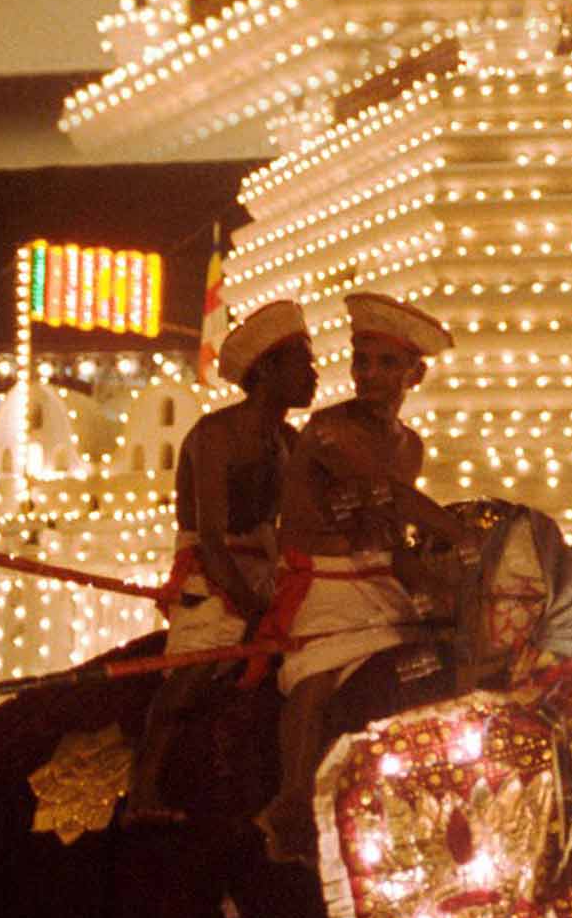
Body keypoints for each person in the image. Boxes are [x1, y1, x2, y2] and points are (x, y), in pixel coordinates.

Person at [252, 291, 470, 865]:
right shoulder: (329, 429)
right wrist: (468, 536)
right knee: (319, 674)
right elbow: (389, 496)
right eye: (362, 361)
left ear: (414, 374)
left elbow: (388, 530)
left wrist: (444, 583)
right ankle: (292, 801)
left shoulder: (411, 445)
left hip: (379, 581)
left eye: (386, 364)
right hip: (322, 582)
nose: (369, 375)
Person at [124, 300, 317, 824]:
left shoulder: (290, 441)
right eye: (303, 363)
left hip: (268, 569)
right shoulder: (214, 435)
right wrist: (253, 608)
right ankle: (142, 790)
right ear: (268, 371)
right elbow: (211, 538)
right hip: (210, 573)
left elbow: (298, 524)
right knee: (194, 666)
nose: (315, 375)